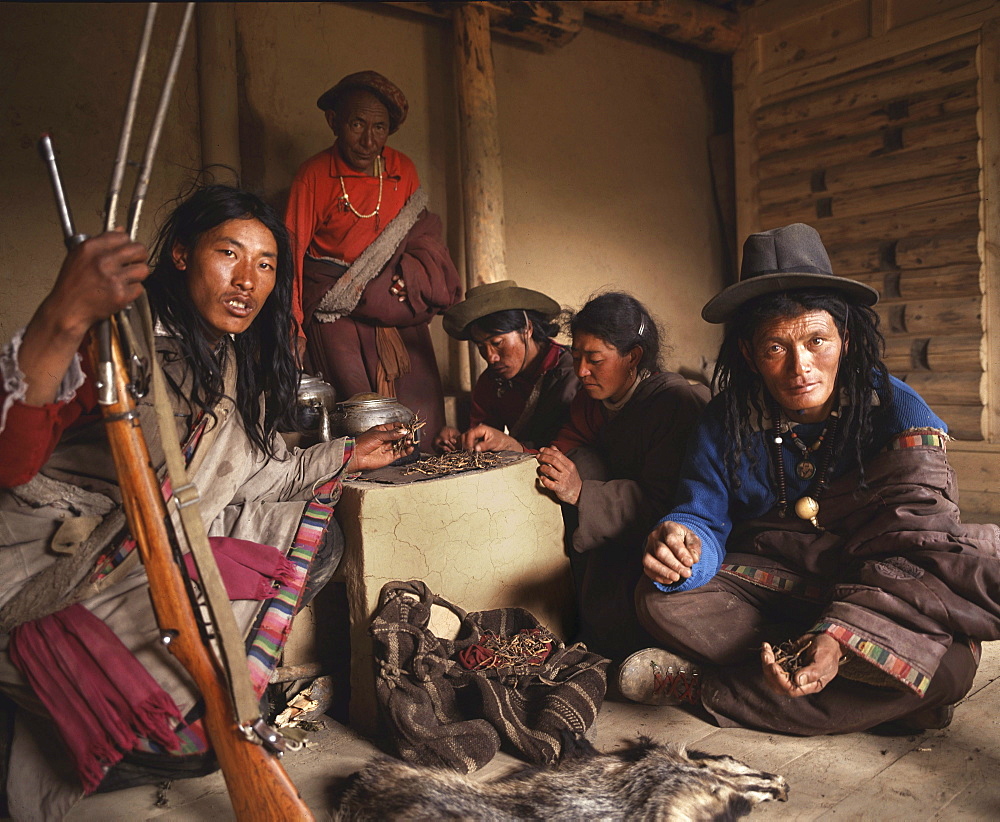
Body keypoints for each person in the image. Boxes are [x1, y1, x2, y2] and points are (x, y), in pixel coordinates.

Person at [0, 185, 411, 817]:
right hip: (58, 551)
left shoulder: (230, 360)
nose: (248, 278)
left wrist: (350, 455)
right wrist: (62, 318)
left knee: (318, 543)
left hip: (148, 549)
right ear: (184, 255)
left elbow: (252, 473)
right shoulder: (110, 341)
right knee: (171, 734)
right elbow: (12, 460)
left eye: (266, 263)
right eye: (229, 253)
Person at [623, 222, 1000, 735]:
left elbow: (917, 547)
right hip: (779, 585)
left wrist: (841, 639)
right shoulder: (724, 419)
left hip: (877, 584)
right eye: (776, 348)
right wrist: (684, 544)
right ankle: (881, 700)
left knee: (952, 669)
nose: (800, 367)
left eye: (817, 340)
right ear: (750, 356)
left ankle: (706, 688)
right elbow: (702, 515)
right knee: (657, 598)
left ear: (845, 338)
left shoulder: (899, 411)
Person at [284, 70, 461, 448]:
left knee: (421, 401)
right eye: (357, 124)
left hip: (392, 300)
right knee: (356, 403)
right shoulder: (313, 175)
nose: (368, 140)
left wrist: (409, 275)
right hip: (334, 301)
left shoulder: (403, 170)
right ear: (334, 121)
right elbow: (291, 253)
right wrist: (294, 325)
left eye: (379, 128)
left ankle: (422, 476)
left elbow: (421, 236)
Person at [534, 292, 709, 662]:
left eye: (595, 359)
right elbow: (566, 446)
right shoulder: (592, 399)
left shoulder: (673, 403)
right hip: (610, 529)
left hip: (662, 540)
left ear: (634, 357)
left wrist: (582, 493)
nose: (581, 371)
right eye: (576, 357)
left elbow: (670, 502)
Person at [435, 280, 578, 453]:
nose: (490, 357)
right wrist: (460, 441)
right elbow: (481, 437)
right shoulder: (491, 380)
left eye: (497, 342)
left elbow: (570, 450)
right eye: (481, 346)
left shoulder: (570, 372)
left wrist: (514, 447)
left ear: (527, 329)